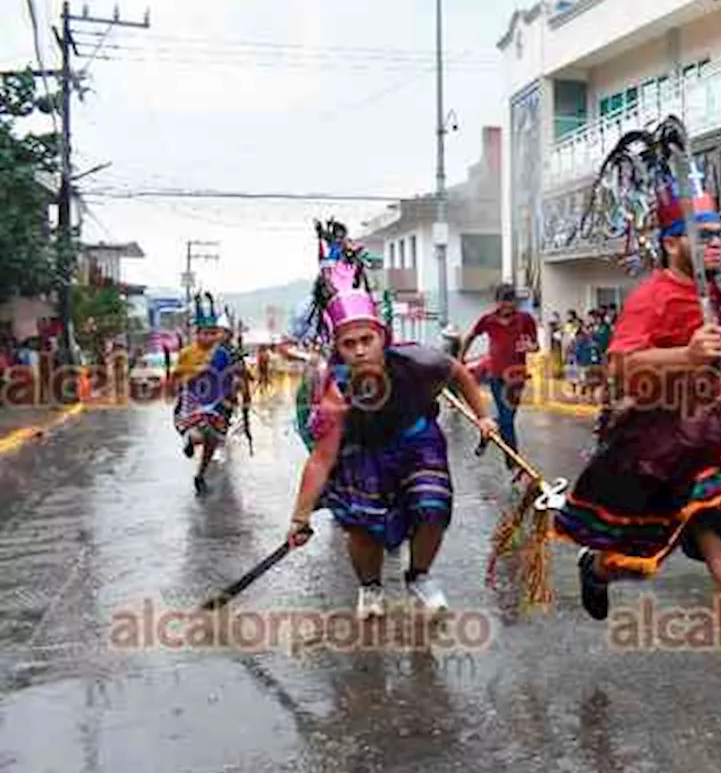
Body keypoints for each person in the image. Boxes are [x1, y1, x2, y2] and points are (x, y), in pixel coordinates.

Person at [554, 116, 721, 731]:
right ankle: (597, 566)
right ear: (673, 240)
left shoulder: (718, 296)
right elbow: (617, 368)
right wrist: (683, 356)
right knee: (638, 557)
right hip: (660, 452)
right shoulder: (653, 296)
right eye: (704, 234)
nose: (716, 244)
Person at [285, 220, 498, 619]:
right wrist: (299, 516)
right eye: (349, 344)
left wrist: (486, 418)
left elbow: (459, 373)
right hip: (362, 454)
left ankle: (419, 576)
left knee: (433, 507)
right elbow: (321, 459)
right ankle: (370, 587)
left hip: (417, 441)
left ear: (384, 337)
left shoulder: (420, 360)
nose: (361, 350)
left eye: (368, 339)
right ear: (339, 350)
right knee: (363, 528)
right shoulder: (335, 394)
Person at [460, 284, 539, 465]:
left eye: (511, 302)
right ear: (497, 302)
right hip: (495, 376)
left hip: (516, 377)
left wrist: (530, 347)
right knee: (505, 420)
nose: (508, 307)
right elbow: (471, 336)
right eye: (504, 302)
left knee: (507, 419)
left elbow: (536, 345)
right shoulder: (487, 320)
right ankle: (511, 462)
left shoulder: (525, 319)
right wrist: (460, 360)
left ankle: (500, 450)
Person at [173, 294, 237, 494]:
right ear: (197, 333)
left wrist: (232, 397)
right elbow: (178, 378)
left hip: (218, 404)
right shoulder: (186, 354)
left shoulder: (223, 354)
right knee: (200, 430)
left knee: (213, 441)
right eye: (205, 333)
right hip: (192, 403)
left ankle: (200, 475)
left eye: (213, 333)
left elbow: (229, 379)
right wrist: (197, 374)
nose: (209, 337)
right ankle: (190, 441)